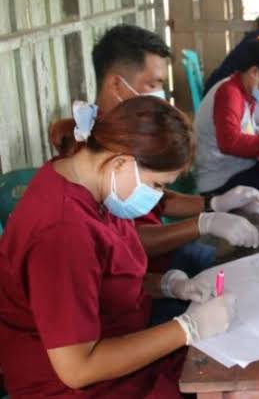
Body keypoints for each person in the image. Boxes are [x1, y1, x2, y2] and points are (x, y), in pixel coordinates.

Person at [0, 97, 234, 398]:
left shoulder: (88, 182)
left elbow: (101, 276)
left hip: (118, 343)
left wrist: (167, 285)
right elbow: (77, 369)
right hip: (73, 386)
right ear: (121, 162)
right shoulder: (61, 231)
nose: (158, 195)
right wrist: (187, 328)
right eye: (157, 185)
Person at [48, 25, 259, 321]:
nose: (160, 95)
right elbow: (124, 242)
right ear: (117, 85)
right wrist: (203, 223)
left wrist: (212, 203)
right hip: (140, 282)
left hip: (154, 274)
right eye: (153, 84)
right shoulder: (95, 156)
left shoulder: (127, 140)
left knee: (248, 270)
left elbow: (156, 197)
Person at [195, 41, 259, 197]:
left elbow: (243, 129)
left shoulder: (245, 91)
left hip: (236, 168)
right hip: (220, 179)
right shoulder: (229, 93)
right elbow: (230, 142)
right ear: (255, 72)